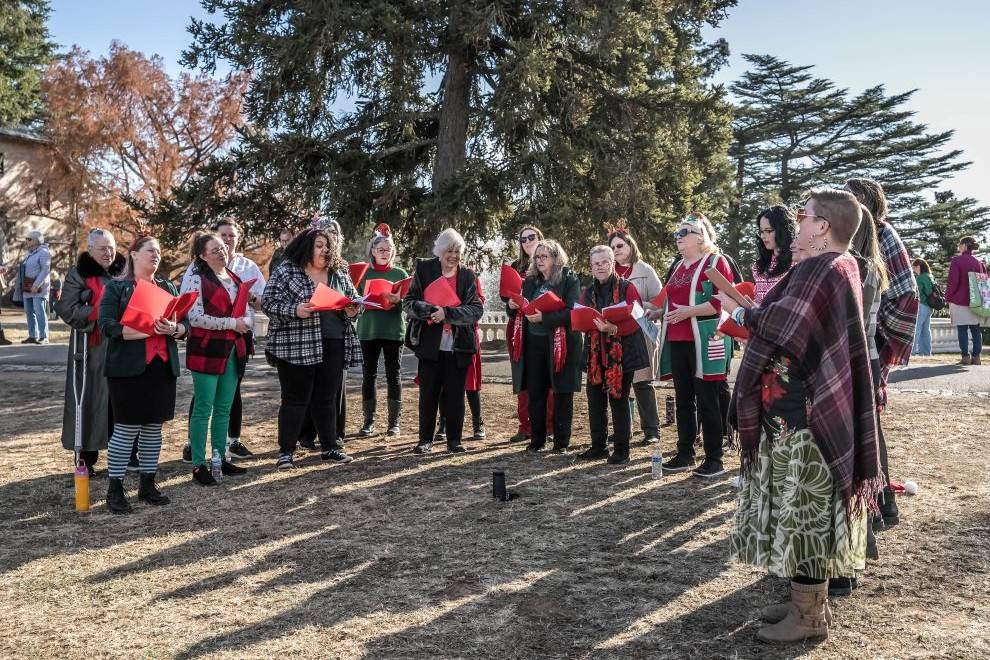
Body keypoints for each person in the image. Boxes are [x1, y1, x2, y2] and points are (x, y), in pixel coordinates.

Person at [722, 188, 880, 643]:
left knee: (806, 512)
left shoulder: (824, 267)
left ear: (823, 227)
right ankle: (804, 602)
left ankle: (808, 618)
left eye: (804, 216)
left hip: (806, 419)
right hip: (800, 412)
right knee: (802, 509)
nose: (797, 225)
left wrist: (742, 312)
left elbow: (783, 325)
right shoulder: (840, 266)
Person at [844, 178, 916, 529]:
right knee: (866, 424)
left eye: (852, 196)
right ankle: (882, 502)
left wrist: (885, 336)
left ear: (868, 201)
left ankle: (881, 504)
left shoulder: (882, 233)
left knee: (867, 425)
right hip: (863, 345)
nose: (847, 202)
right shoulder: (850, 236)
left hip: (870, 344)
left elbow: (906, 292)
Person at [98, 235, 186, 514]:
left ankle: (148, 484)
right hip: (128, 369)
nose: (156, 255)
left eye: (159, 251)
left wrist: (174, 329)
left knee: (153, 428)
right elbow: (107, 326)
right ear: (134, 254)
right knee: (126, 428)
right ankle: (115, 489)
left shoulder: (168, 286)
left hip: (161, 367)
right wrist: (145, 331)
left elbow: (186, 327)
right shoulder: (117, 287)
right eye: (150, 251)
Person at [262, 226, 361, 470]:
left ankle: (330, 447)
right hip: (296, 344)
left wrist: (354, 308)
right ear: (306, 248)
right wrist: (294, 310)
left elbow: (354, 298)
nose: (325, 250)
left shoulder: (339, 271)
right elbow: (268, 303)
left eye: (328, 246)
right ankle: (286, 452)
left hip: (334, 340)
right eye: (319, 245)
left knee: (327, 398)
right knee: (295, 399)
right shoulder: (286, 270)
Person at [180, 218, 265, 463]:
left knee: (224, 408)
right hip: (207, 349)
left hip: (233, 350)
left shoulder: (236, 278)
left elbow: (245, 311)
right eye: (215, 249)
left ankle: (220, 460)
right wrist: (232, 324)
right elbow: (195, 317)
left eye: (224, 248)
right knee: (204, 407)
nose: (223, 251)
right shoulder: (197, 278)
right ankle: (198, 463)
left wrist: (246, 322)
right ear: (203, 256)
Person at [656, 213, 734, 478]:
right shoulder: (678, 266)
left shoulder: (715, 261)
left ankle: (714, 458)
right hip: (677, 340)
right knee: (683, 400)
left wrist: (689, 311)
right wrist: (652, 310)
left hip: (703, 340)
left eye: (685, 232)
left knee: (708, 400)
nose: (678, 237)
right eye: (677, 233)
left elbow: (721, 300)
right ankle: (685, 452)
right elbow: (666, 301)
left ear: (700, 236)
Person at [402, 228, 484, 454]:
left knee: (455, 394)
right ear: (440, 251)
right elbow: (408, 302)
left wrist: (447, 313)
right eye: (449, 250)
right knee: (428, 393)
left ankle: (454, 440)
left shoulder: (468, 275)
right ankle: (425, 440)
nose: (453, 256)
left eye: (457, 251)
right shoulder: (425, 269)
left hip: (459, 346)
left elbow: (476, 310)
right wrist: (430, 311)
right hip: (430, 344)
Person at [54, 229, 126, 475]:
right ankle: (86, 457)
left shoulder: (123, 272)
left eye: (111, 247)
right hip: (91, 348)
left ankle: (125, 454)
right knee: (89, 400)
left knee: (120, 401)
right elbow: (66, 308)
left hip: (121, 343)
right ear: (91, 250)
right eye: (102, 248)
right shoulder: (79, 274)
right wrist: (98, 312)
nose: (108, 253)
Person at [577, 245, 650, 465]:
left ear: (612, 263)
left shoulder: (627, 288)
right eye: (595, 264)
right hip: (595, 353)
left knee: (618, 399)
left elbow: (638, 320)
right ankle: (598, 447)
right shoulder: (587, 292)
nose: (599, 267)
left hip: (623, 352)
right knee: (594, 399)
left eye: (603, 262)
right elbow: (580, 317)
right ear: (591, 267)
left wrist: (614, 328)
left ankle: (622, 450)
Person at [507, 239, 582, 453]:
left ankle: (561, 443)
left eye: (544, 256)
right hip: (533, 343)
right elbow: (520, 307)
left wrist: (544, 317)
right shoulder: (530, 281)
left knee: (561, 393)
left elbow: (572, 311)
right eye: (537, 257)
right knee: (536, 392)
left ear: (556, 258)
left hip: (561, 343)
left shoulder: (569, 279)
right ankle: (537, 440)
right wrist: (512, 306)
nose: (539, 260)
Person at [608, 225, 662, 445]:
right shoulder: (609, 273)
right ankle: (624, 428)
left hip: (641, 332)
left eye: (620, 245)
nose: (617, 250)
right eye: (612, 247)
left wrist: (639, 305)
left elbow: (661, 301)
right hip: (616, 333)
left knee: (642, 382)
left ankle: (651, 429)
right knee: (619, 382)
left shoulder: (644, 270)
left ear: (630, 246)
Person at [505, 226, 554, 444]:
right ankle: (525, 426)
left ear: (540, 239)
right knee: (522, 376)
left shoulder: (551, 266)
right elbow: (508, 302)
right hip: (518, 327)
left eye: (531, 237)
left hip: (543, 328)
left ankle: (549, 425)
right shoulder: (515, 267)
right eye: (522, 238)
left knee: (546, 377)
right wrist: (510, 303)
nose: (527, 242)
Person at [357, 224, 408, 437]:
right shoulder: (363, 273)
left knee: (393, 376)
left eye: (388, 249)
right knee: (368, 376)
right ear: (372, 251)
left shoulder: (400, 273)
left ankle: (393, 423)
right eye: (380, 249)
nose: (384, 253)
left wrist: (399, 300)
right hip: (369, 329)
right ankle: (369, 421)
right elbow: (353, 298)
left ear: (393, 252)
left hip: (393, 330)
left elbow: (409, 303)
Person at [946, 236, 987, 365]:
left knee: (962, 329)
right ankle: (976, 357)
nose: (958, 247)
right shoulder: (979, 262)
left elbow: (953, 282)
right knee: (976, 329)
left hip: (959, 300)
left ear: (964, 245)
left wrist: (948, 296)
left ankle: (965, 357)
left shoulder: (957, 261)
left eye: (959, 244)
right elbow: (983, 282)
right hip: (976, 301)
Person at [752, 205, 796, 304]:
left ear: (783, 230)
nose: (763, 236)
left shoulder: (798, 262)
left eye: (769, 231)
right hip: (758, 318)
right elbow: (758, 301)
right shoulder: (757, 267)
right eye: (761, 231)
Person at [16, 230, 52, 344]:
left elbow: (45, 270)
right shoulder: (29, 253)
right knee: (29, 311)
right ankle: (33, 335)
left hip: (38, 288)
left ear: (37, 240)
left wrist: (36, 284)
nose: (26, 241)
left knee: (39, 311)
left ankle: (44, 336)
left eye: (29, 239)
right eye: (26, 239)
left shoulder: (44, 252)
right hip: (27, 287)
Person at [912, 258, 935, 357]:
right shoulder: (930, 276)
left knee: (916, 328)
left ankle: (911, 351)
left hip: (922, 305)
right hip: (930, 306)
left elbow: (917, 293)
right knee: (926, 330)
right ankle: (926, 352)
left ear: (918, 267)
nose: (914, 270)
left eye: (914, 268)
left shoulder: (920, 278)